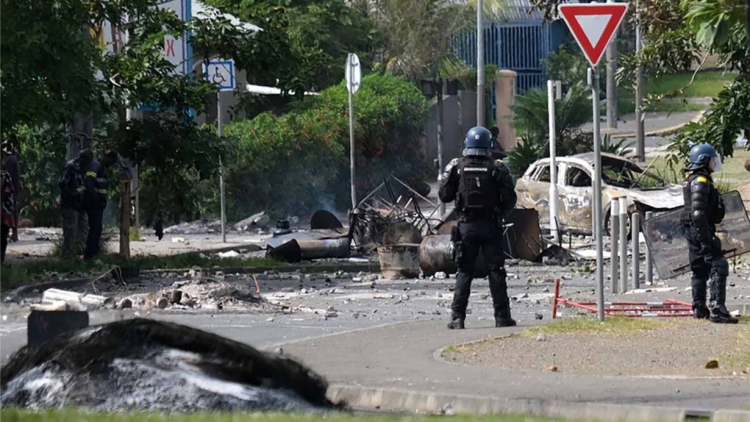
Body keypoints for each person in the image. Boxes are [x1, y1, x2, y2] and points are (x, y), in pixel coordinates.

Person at [439, 126, 517, 330]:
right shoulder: (497, 167)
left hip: (467, 227)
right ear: (489, 144)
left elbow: (444, 195)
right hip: (491, 226)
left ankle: (457, 318)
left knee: (464, 271)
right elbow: (510, 198)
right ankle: (502, 317)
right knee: (496, 271)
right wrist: (499, 212)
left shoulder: (457, 167)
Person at [682, 144, 737, 324]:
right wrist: (706, 240)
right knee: (718, 265)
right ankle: (717, 309)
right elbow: (698, 213)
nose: (715, 163)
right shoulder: (700, 181)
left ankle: (699, 308)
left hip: (693, 229)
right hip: (699, 229)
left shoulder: (693, 179)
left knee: (699, 268)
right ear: (704, 161)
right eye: (712, 159)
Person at [81, 149, 118, 260]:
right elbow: (89, 183)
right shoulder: (96, 166)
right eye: (111, 162)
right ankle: (90, 255)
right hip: (93, 204)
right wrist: (96, 198)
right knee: (95, 229)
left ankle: (93, 254)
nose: (111, 165)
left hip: (97, 204)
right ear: (107, 158)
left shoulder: (100, 167)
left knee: (97, 229)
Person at [58, 152, 89, 258]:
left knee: (84, 231)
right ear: (82, 158)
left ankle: (83, 255)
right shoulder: (71, 166)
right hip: (69, 205)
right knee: (70, 232)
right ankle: (67, 257)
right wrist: (72, 193)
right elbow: (62, 183)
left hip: (81, 206)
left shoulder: (84, 168)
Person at [3, 146, 21, 242]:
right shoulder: (14, 159)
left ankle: (13, 234)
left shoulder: (10, 159)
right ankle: (14, 234)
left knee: (9, 210)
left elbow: (7, 176)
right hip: (14, 188)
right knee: (13, 209)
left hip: (9, 189)